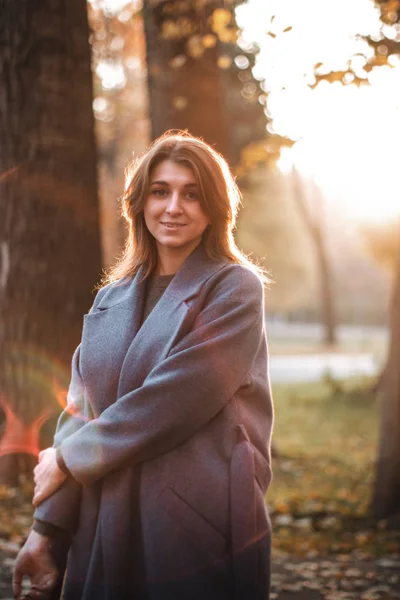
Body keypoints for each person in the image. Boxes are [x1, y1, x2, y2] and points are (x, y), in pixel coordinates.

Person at [13, 131, 274, 600]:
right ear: (140, 202)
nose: (174, 207)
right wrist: (45, 529)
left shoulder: (234, 288)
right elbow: (80, 412)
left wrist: (69, 458)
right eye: (161, 191)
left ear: (215, 207)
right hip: (101, 516)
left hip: (191, 518)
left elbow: (175, 399)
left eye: (192, 194)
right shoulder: (111, 297)